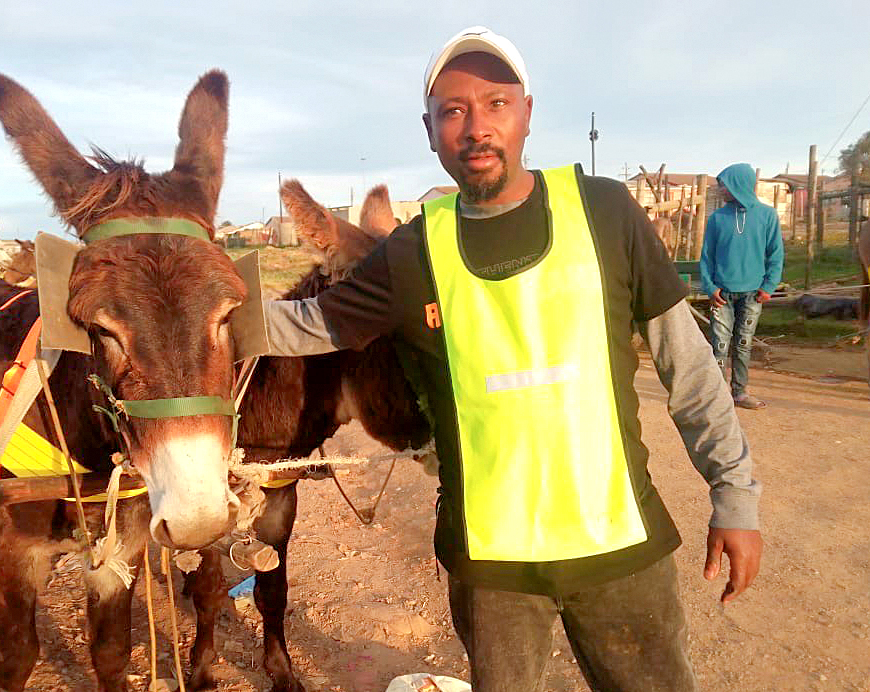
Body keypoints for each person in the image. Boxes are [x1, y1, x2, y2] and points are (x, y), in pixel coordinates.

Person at [267, 26, 762, 692]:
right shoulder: (412, 256)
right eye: (453, 110)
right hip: (492, 571)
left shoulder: (606, 213)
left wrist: (734, 499)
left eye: (496, 103)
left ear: (526, 111)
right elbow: (298, 325)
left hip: (620, 553)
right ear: (430, 129)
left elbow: (692, 373)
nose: (476, 127)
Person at [700, 164, 784, 409]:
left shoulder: (767, 216)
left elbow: (775, 254)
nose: (721, 189)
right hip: (722, 294)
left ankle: (739, 392)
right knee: (720, 345)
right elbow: (707, 256)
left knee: (743, 344)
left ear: (739, 184)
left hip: (753, 294)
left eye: (724, 184)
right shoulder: (717, 218)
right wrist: (710, 286)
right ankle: (717, 394)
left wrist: (769, 285)